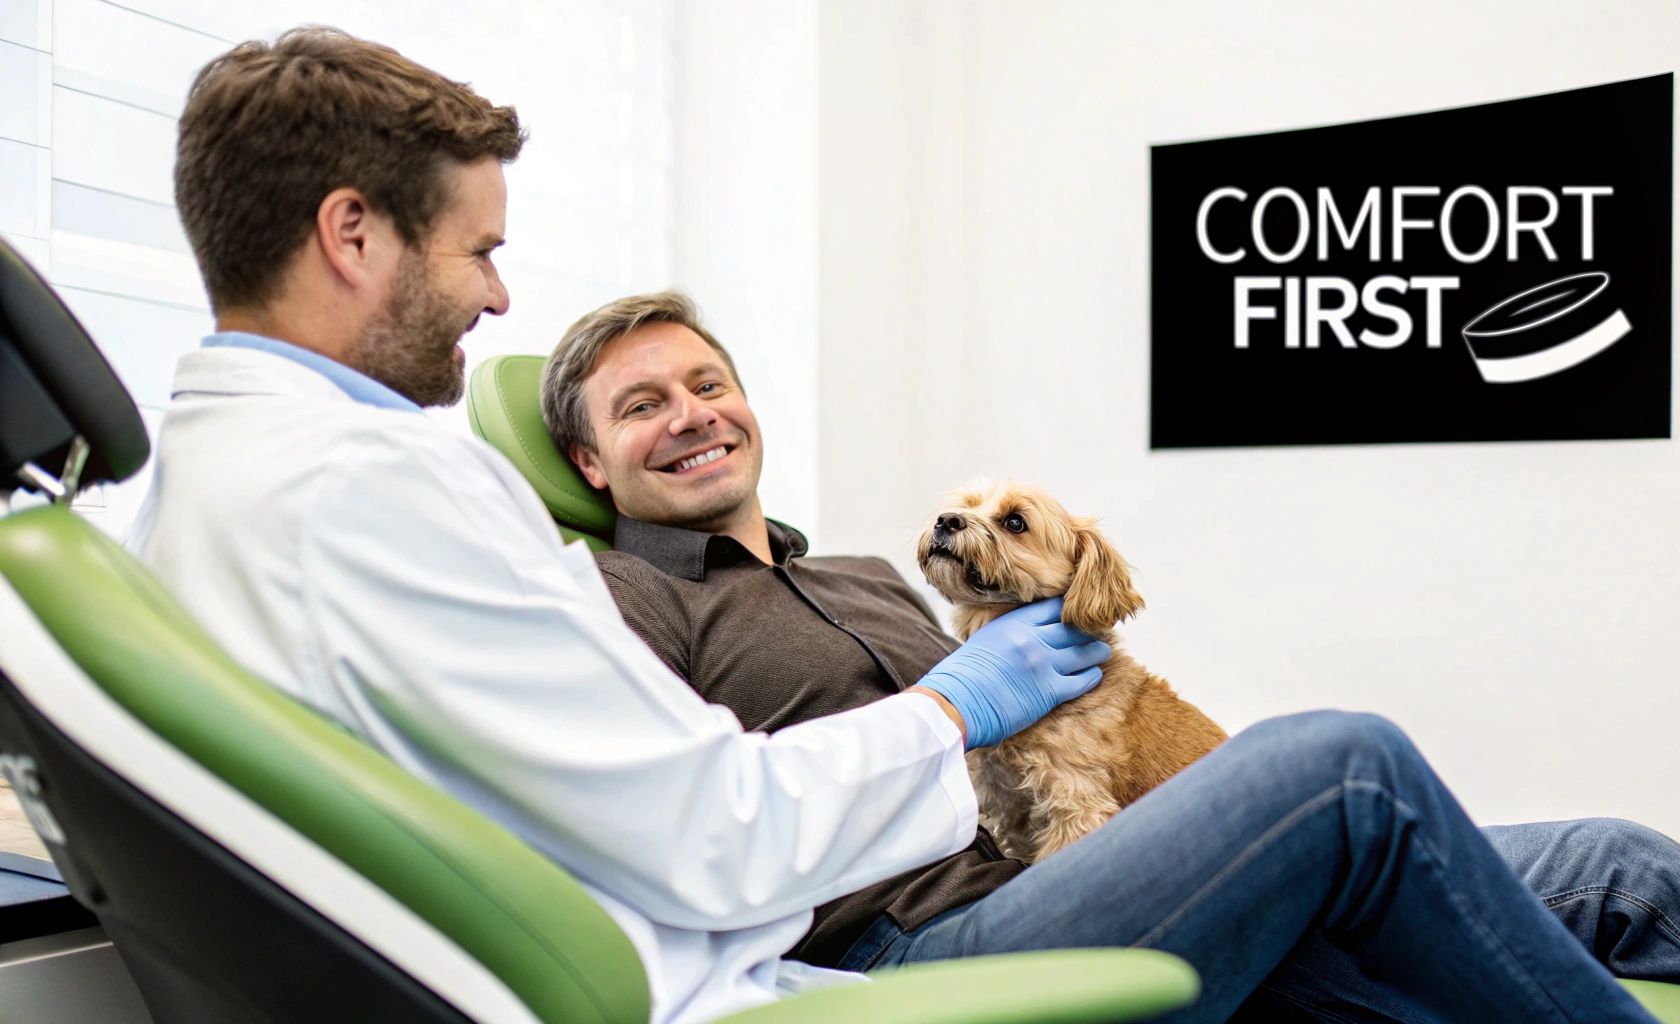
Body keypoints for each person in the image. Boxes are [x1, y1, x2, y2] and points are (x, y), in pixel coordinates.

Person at [129, 28, 1106, 1024]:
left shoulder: (200, 485)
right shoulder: (383, 488)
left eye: (710, 385)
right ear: (352, 234)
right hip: (777, 965)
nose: (497, 296)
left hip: (779, 939)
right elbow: (717, 832)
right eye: (480, 252)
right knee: (1281, 775)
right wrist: (950, 710)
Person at [542, 289, 1680, 1021]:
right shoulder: (623, 600)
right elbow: (680, 823)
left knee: (1610, 859)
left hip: (1083, 864)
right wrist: (949, 710)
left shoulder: (867, 577)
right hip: (927, 933)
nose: (693, 415)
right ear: (593, 465)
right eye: (642, 404)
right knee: (1340, 762)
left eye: (707, 381)